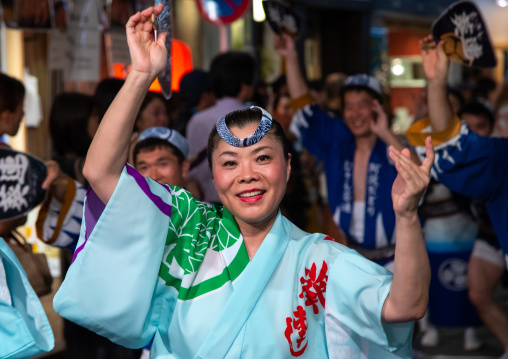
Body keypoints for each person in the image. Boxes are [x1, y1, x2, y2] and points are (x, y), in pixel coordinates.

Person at [54, 5, 433, 358]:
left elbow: (405, 306)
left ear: (287, 167)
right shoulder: (189, 225)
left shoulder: (319, 258)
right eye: (230, 162)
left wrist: (407, 216)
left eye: (262, 158)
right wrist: (140, 75)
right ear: (213, 174)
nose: (247, 175)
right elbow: (100, 172)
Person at [275, 33, 417, 268]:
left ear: (377, 107)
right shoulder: (338, 141)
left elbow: (417, 175)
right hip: (353, 259)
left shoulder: (393, 145)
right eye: (349, 107)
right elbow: (304, 108)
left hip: (397, 259)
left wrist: (384, 132)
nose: (355, 114)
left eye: (362, 105)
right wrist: (290, 57)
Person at [406, 35, 508, 358]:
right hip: (484, 235)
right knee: (476, 293)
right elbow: (454, 148)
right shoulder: (501, 159)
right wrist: (437, 83)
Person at [0, 72, 54, 358]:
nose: (22, 114)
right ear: (5, 112)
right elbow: (7, 220)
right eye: (20, 106)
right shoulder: (6, 159)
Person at [186, 50, 255, 204]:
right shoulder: (255, 119)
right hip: (246, 203)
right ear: (245, 85)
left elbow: (193, 167)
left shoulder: (197, 120)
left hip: (205, 204)